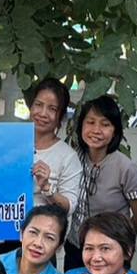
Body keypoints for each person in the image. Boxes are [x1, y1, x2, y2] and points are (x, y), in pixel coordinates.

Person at [64, 94, 137, 270]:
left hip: (109, 253)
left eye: (105, 124)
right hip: (75, 248)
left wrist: (120, 241)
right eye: (90, 122)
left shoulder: (125, 168)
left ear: (115, 130)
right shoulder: (73, 158)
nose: (96, 130)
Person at [28, 78, 81, 214]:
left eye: (52, 109)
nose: (43, 113)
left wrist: (47, 188)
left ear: (60, 117)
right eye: (38, 104)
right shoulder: (9, 144)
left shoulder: (68, 157)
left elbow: (69, 207)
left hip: (44, 226)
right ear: (31, 107)